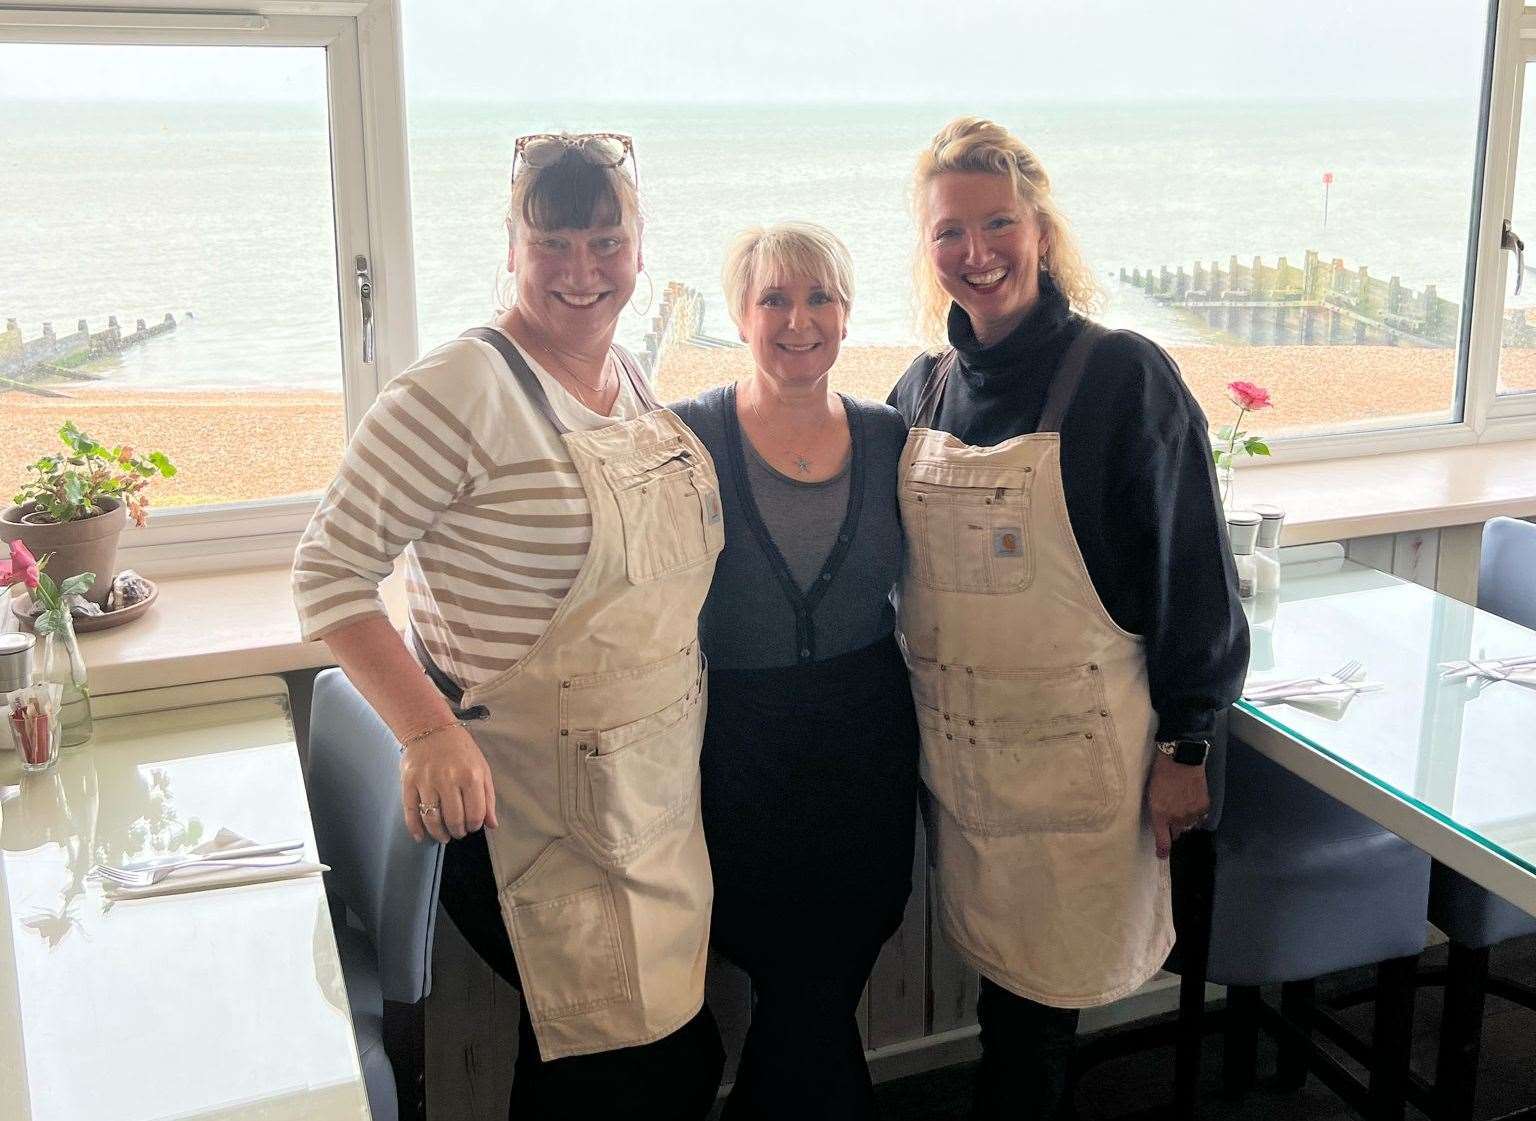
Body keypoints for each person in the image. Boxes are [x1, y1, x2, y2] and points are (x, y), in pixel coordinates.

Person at [292, 132, 725, 1120]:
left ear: (641, 244)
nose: (582, 271)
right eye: (554, 241)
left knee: (631, 1060)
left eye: (606, 240)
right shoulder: (457, 391)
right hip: (537, 805)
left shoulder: (626, 377)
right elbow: (327, 568)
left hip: (649, 796)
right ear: (512, 244)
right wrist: (428, 729)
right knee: (622, 1068)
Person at [887, 117, 1249, 1119]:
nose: (977, 252)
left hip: (1084, 766)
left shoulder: (1124, 379)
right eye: (950, 232)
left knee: (1038, 1021)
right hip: (965, 770)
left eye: (999, 222)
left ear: (1043, 230)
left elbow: (1194, 578)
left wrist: (1190, 741)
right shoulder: (922, 392)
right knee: (1004, 997)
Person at [670, 222, 919, 1120]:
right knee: (795, 986)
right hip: (740, 764)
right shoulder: (688, 435)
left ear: (847, 317)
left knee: (831, 974)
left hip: (870, 758)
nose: (798, 319)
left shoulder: (894, 437)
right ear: (739, 314)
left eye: (819, 298)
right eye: (774, 297)